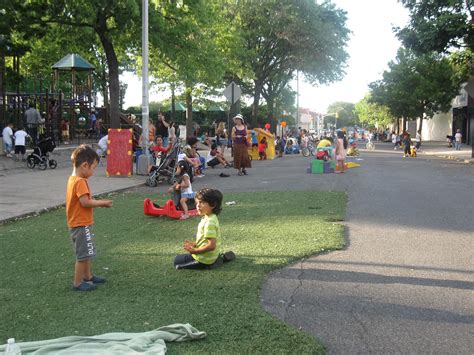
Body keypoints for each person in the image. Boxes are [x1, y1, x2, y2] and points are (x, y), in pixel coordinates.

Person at [66, 145, 113, 291]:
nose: (93, 172)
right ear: (85, 165)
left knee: (87, 252)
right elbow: (85, 202)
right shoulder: (80, 181)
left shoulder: (73, 179)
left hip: (80, 223)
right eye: (93, 168)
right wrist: (102, 203)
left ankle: (88, 276)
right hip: (80, 224)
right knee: (83, 255)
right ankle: (78, 283)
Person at [174, 188, 223, 269]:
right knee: (179, 259)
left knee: (176, 261)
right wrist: (195, 244)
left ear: (213, 204)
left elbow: (211, 246)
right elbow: (205, 239)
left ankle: (208, 265)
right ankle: (217, 259)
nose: (198, 205)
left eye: (202, 202)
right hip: (211, 256)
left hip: (205, 259)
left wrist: (195, 251)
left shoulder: (209, 222)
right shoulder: (210, 217)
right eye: (197, 202)